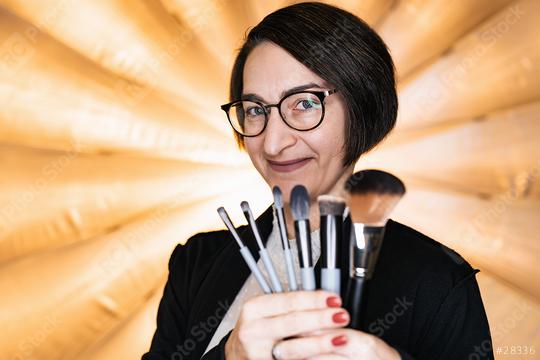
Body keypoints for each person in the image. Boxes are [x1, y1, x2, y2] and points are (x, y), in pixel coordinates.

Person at [142, 2, 493, 359]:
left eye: (305, 103)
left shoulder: (435, 281)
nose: (274, 142)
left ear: (362, 105)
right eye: (255, 110)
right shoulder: (196, 263)